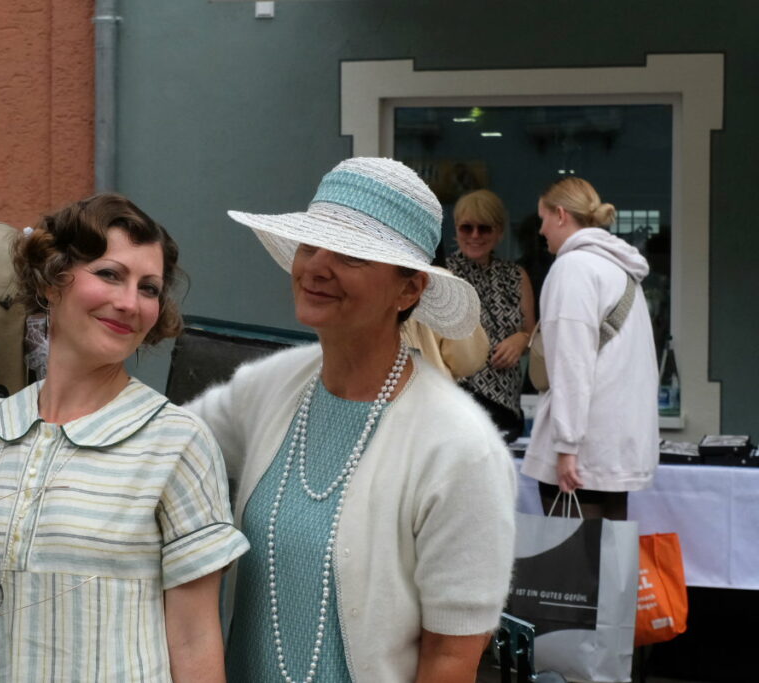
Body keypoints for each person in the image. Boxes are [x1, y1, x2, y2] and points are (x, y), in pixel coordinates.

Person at [0, 194, 249, 682]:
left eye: (149, 288)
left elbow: (194, 637)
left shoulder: (176, 440)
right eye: (110, 274)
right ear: (51, 280)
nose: (130, 303)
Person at [186, 157, 516, 683]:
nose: (317, 266)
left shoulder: (458, 446)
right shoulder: (270, 388)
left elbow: (451, 657)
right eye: (310, 245)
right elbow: (166, 447)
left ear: (409, 291)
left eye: (350, 255)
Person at [522, 177, 659, 520]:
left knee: (572, 553)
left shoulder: (572, 268)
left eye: (543, 218)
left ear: (560, 215)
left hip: (583, 449)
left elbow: (571, 362)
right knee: (610, 553)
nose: (541, 230)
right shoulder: (621, 270)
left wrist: (566, 445)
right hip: (616, 446)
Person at [446, 189, 535, 440]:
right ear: (456, 230)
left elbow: (532, 334)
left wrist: (521, 340)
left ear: (499, 232)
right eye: (467, 228)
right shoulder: (442, 275)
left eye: (484, 228)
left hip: (506, 408)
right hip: (455, 404)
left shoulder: (516, 276)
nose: (475, 235)